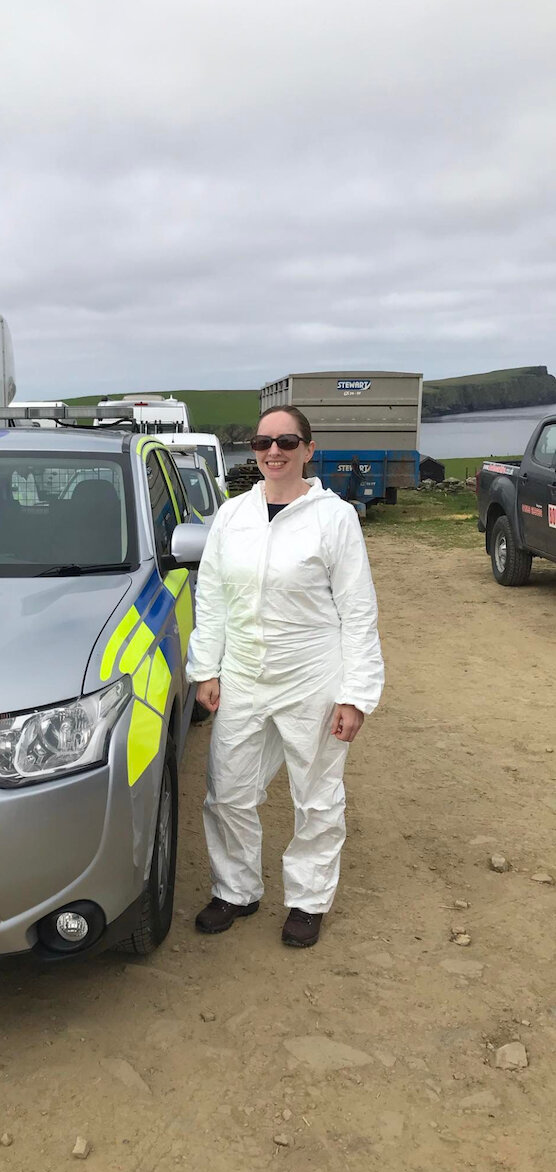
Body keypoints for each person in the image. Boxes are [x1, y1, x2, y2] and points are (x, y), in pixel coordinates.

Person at [186, 405, 384, 947]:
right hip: (245, 674)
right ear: (252, 450)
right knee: (227, 790)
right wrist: (207, 667)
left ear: (308, 449)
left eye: (287, 442)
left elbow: (358, 610)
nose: (274, 452)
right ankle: (236, 889)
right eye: (263, 442)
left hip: (312, 677)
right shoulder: (232, 516)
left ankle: (308, 899)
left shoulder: (334, 516)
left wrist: (356, 695)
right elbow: (214, 596)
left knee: (316, 794)